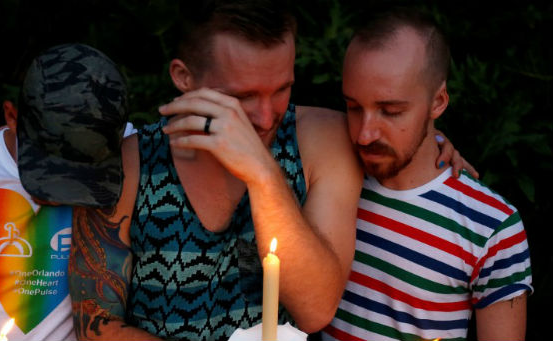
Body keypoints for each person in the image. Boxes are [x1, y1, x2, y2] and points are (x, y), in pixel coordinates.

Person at [54, 2, 476, 341]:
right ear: (183, 77)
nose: (266, 115)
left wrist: (261, 172)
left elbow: (315, 310)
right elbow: (98, 326)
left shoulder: (324, 140)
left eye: (283, 89)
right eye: (242, 96)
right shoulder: (131, 164)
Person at [322, 8, 532, 341]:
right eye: (353, 107)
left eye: (390, 111)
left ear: (438, 102)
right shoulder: (331, 175)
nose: (364, 134)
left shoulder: (492, 226)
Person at [0, 43, 134, 340]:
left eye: (79, 172)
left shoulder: (131, 151)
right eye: (51, 167)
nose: (61, 192)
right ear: (12, 116)